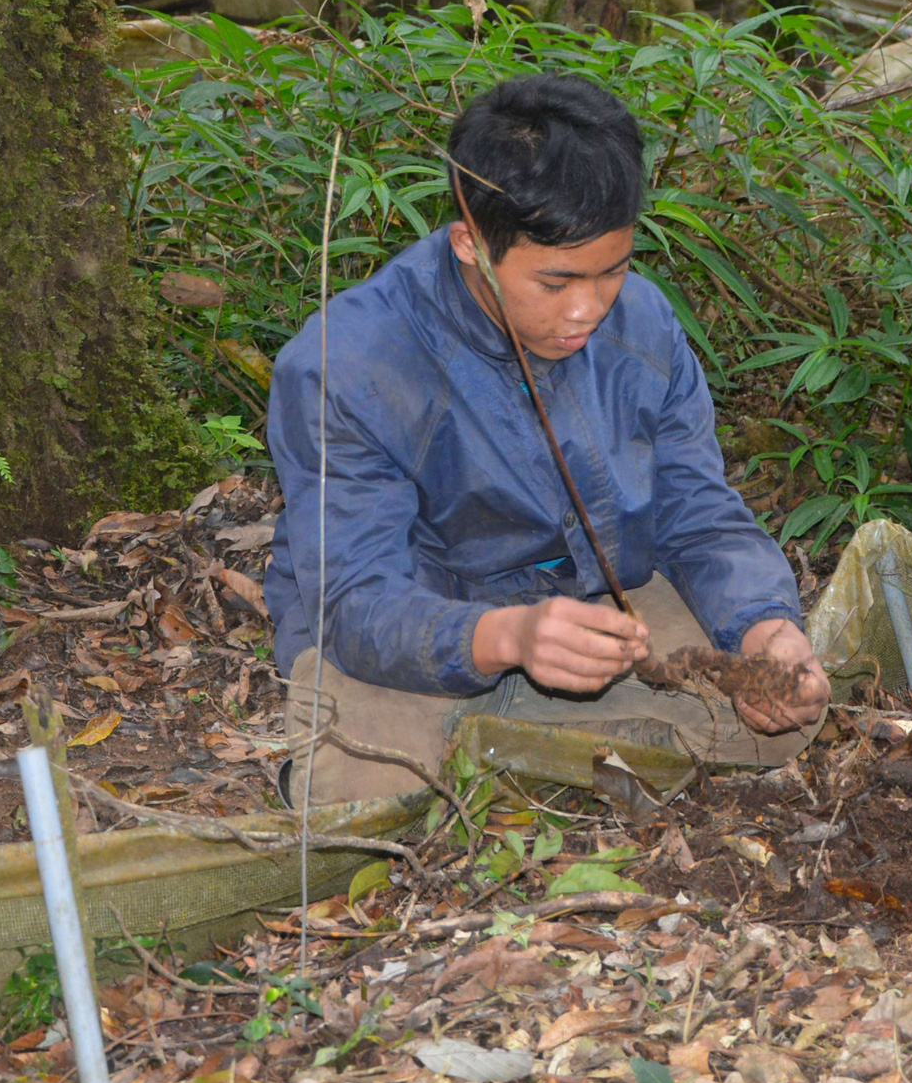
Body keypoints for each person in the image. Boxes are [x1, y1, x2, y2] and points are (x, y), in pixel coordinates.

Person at [264, 73, 829, 808]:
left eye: (614, 270)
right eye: (557, 282)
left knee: (780, 718)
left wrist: (766, 629)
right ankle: (521, 727)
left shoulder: (645, 326)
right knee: (355, 807)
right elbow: (356, 602)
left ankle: (515, 736)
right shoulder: (349, 363)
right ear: (470, 241)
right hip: (421, 616)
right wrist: (512, 639)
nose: (589, 309)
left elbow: (698, 513)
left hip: (599, 595)